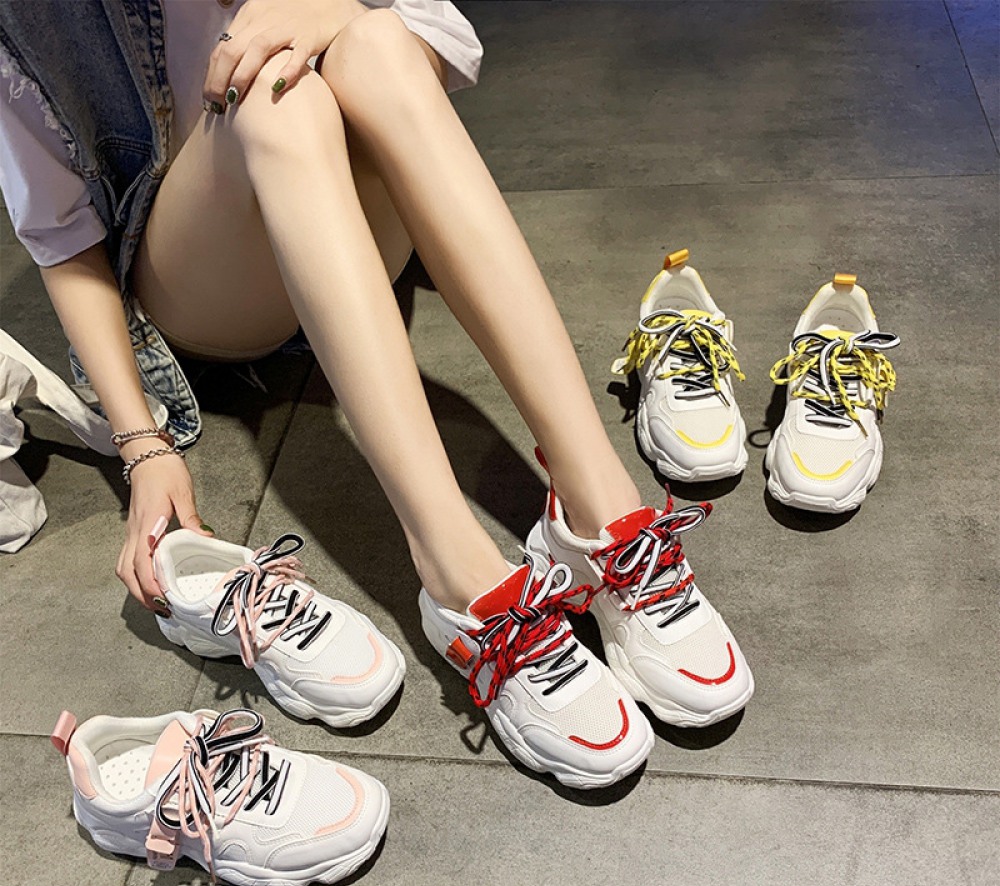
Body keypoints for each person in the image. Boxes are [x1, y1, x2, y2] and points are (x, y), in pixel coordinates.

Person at [1, 0, 752, 789]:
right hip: (208, 271)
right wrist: (142, 445)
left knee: (379, 42)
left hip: (349, 219)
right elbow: (64, 242)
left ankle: (598, 512)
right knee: (276, 96)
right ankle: (459, 576)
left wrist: (329, 11)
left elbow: (444, 31)